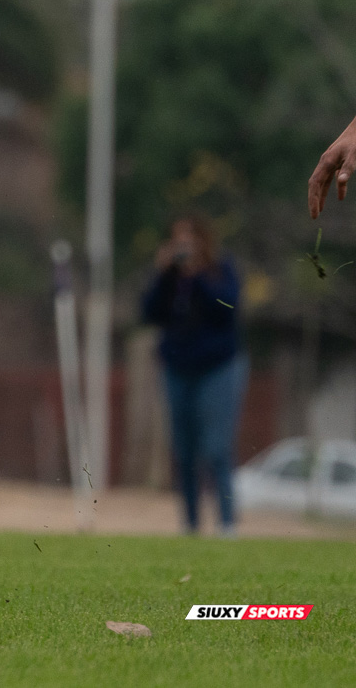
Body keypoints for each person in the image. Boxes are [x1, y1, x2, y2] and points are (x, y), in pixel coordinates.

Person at [140, 216, 246, 535]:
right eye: (177, 241)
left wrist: (197, 277)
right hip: (178, 368)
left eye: (189, 240)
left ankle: (227, 524)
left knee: (216, 448)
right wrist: (161, 275)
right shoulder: (169, 279)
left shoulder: (221, 269)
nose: (183, 248)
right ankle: (190, 524)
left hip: (218, 367)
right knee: (183, 450)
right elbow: (148, 313)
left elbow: (227, 308)